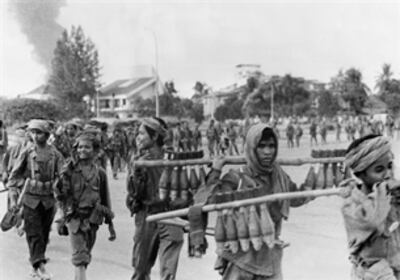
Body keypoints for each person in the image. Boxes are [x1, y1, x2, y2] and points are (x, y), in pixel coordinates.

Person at [201, 123, 312, 280]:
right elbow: (209, 201)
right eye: (261, 146)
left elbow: (296, 198)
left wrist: (318, 180)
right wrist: (216, 170)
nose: (268, 152)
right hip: (241, 260)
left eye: (271, 146)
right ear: (252, 148)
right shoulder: (236, 177)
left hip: (269, 258)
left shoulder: (279, 176)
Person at [126, 117, 184, 280]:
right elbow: (134, 194)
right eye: (138, 133)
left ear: (155, 137)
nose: (138, 137)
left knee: (168, 273)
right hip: (147, 216)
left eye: (142, 133)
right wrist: (136, 171)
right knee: (141, 270)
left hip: (170, 215)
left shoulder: (173, 160)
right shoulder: (139, 162)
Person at [7, 119, 64, 279]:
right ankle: (40, 266)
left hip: (48, 200)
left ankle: (36, 263)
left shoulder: (55, 154)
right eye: (32, 132)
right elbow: (14, 177)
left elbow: (63, 176)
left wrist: (62, 188)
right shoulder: (27, 152)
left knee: (44, 233)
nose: (35, 135)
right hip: (30, 199)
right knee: (34, 233)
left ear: (47, 135)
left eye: (39, 132)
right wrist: (13, 197)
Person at [54, 133, 115, 280]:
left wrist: (110, 225)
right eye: (80, 147)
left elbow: (105, 199)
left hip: (93, 219)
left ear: (95, 150)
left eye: (87, 147)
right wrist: (62, 215)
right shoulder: (69, 171)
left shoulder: (100, 173)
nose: (82, 150)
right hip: (74, 219)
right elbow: (59, 195)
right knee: (80, 257)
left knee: (85, 255)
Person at [340, 134, 400, 279]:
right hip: (370, 273)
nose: (388, 174)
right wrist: (382, 191)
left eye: (390, 166)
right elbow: (373, 222)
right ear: (360, 174)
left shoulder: (391, 196)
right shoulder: (351, 204)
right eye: (379, 170)